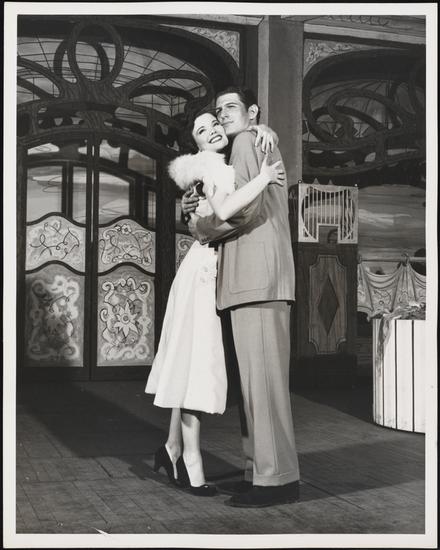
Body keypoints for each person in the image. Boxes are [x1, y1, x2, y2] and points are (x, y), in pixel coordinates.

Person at [145, 109, 284, 496]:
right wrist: (264, 178)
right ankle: (190, 461)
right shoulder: (211, 167)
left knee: (191, 362)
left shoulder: (219, 163)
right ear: (195, 143)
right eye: (201, 130)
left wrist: (261, 128)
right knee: (198, 366)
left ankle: (172, 448)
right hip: (205, 273)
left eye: (215, 124)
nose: (212, 131)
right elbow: (224, 211)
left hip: (207, 269)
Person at [182, 87, 300, 508]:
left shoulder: (249, 141)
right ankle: (259, 473)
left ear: (252, 112)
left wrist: (200, 227)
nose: (223, 114)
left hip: (258, 280)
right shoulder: (245, 144)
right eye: (219, 110)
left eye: (231, 107)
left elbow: (243, 211)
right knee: (254, 386)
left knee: (262, 387)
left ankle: (278, 481)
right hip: (250, 280)